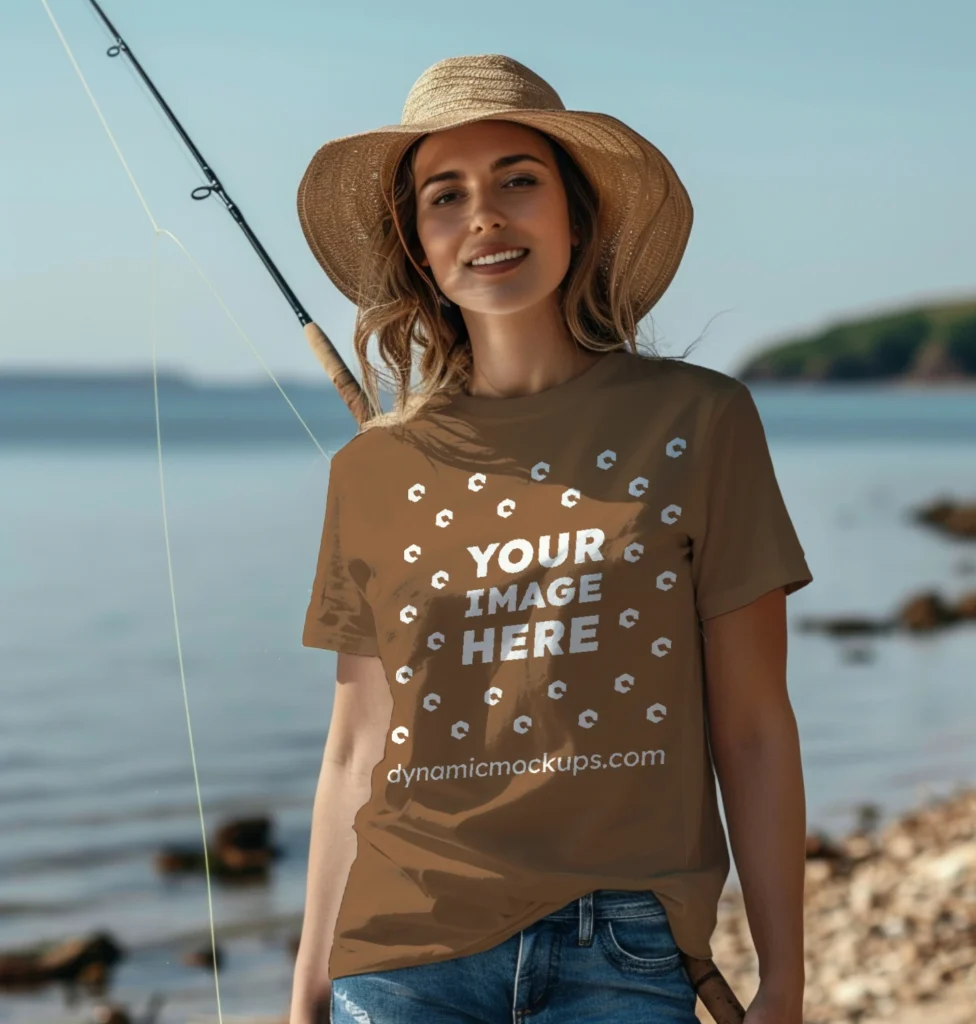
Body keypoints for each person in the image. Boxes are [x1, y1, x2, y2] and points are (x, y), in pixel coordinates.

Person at [289, 54, 813, 1024]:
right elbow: (353, 749)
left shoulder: (699, 422)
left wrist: (782, 976)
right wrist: (307, 988)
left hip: (622, 943)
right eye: (445, 196)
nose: (483, 216)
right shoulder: (370, 468)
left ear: (577, 213)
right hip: (402, 944)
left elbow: (751, 724)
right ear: (417, 245)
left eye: (516, 181)